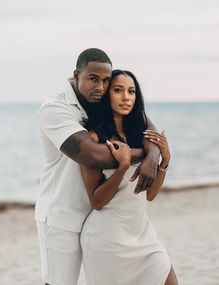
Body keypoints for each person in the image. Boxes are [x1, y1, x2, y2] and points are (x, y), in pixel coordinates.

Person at [35, 48, 160, 285]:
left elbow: (142, 121)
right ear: (76, 74)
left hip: (100, 218)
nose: (101, 87)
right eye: (93, 79)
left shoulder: (97, 100)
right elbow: (92, 156)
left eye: (105, 81)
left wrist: (154, 155)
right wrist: (146, 153)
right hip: (63, 217)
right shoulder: (55, 108)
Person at [80, 69, 178, 284]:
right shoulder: (95, 138)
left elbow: (149, 195)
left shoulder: (141, 136)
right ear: (107, 95)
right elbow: (96, 201)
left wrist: (164, 161)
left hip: (143, 235)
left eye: (131, 91)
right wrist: (123, 166)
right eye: (118, 90)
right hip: (109, 239)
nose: (126, 97)